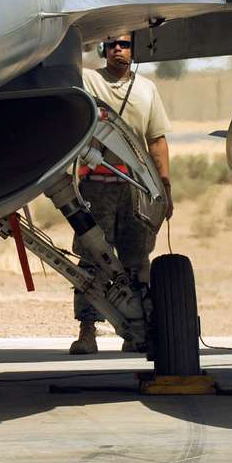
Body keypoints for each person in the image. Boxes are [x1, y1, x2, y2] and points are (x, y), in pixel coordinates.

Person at [69, 33, 173, 355]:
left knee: (136, 260)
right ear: (102, 48)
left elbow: (156, 141)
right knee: (91, 261)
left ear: (133, 50)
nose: (118, 49)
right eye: (112, 43)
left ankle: (135, 329)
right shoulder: (88, 80)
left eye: (125, 44)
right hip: (95, 185)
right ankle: (88, 331)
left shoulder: (146, 89)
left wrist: (165, 187)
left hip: (135, 189)